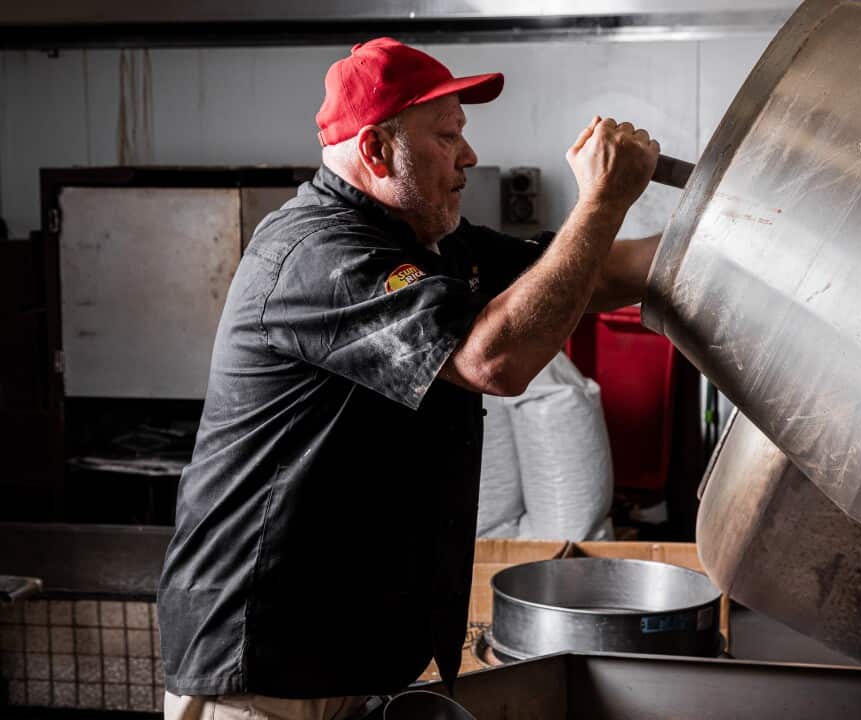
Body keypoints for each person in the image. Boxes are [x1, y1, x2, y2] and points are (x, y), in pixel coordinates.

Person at [158, 37, 661, 720]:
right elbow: (493, 360)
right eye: (448, 135)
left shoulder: (428, 245)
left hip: (349, 657)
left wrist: (740, 232)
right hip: (266, 673)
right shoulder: (319, 253)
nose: (469, 155)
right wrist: (601, 199)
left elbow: (590, 271)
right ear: (375, 152)